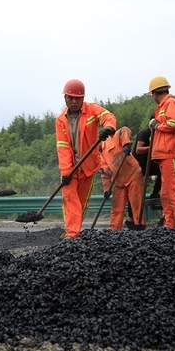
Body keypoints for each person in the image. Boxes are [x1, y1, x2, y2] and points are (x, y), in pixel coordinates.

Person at [56, 79, 116, 240]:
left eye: (77, 98)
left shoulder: (91, 110)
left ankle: (73, 230)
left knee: (81, 202)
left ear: (83, 98)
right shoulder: (60, 120)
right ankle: (72, 233)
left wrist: (109, 127)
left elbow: (107, 116)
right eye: (70, 97)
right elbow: (62, 148)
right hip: (71, 167)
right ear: (65, 98)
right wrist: (66, 171)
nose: (74, 101)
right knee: (70, 198)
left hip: (88, 166)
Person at [148, 76, 175, 229]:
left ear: (154, 93)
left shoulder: (170, 103)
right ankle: (171, 226)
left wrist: (157, 125)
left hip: (171, 154)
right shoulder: (162, 106)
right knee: (165, 195)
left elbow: (173, 123)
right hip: (165, 156)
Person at [99, 126, 145, 231]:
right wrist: (107, 190)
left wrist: (126, 145)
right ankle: (114, 230)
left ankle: (140, 227)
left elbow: (125, 130)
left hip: (133, 174)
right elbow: (105, 175)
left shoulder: (111, 139)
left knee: (136, 203)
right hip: (119, 182)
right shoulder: (99, 158)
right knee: (116, 207)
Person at [133, 126, 162, 198]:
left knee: (162, 169)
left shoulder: (157, 134)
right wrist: (152, 147)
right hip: (138, 164)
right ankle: (133, 208)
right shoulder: (145, 133)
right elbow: (138, 149)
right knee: (135, 189)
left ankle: (155, 193)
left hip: (148, 163)